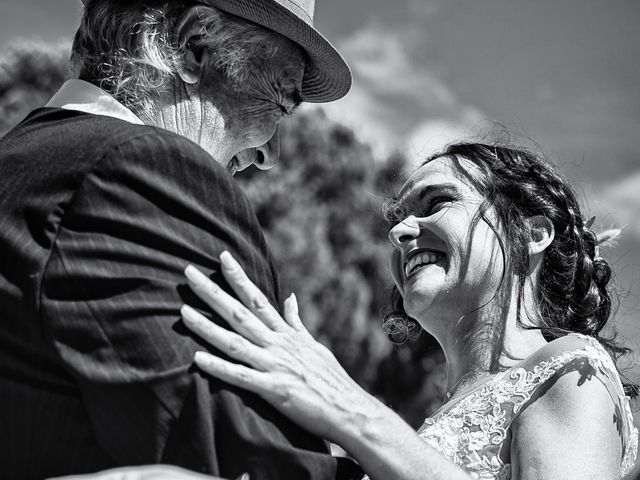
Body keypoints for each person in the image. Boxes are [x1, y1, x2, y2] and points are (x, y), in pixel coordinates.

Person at [0, 0, 355, 479]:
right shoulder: (143, 170)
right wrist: (364, 424)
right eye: (279, 100)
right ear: (195, 46)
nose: (272, 154)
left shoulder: (21, 163)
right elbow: (255, 463)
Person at [179, 143, 638, 479]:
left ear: (532, 234)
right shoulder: (430, 428)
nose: (400, 230)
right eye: (396, 218)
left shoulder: (573, 367)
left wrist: (350, 409)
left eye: (437, 203)